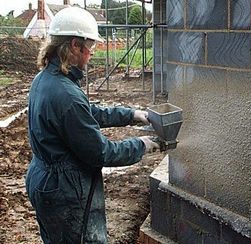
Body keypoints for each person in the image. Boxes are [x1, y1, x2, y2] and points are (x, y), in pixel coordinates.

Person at [25, 7, 159, 243]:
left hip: (44, 178)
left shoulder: (45, 79)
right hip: (65, 190)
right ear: (75, 45)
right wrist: (142, 144)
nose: (92, 54)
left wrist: (132, 114)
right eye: (91, 47)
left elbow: (87, 113)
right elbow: (100, 152)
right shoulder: (66, 94)